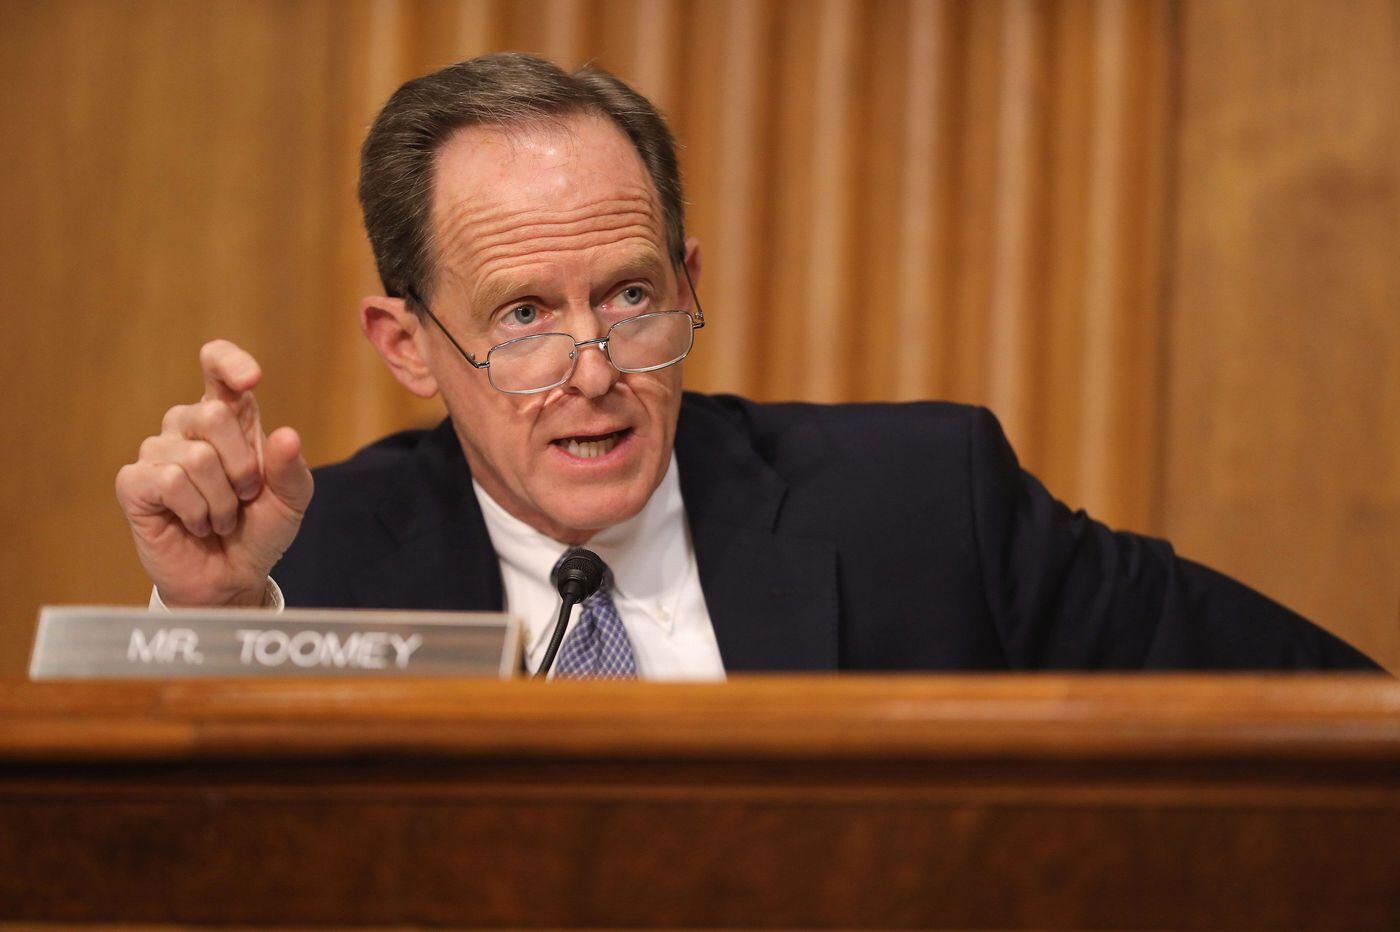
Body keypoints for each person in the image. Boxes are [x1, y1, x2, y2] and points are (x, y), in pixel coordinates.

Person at [114, 53, 1379, 677]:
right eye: (523, 316)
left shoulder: (925, 505)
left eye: (630, 296)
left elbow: (1319, 725)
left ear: (689, 281)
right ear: (407, 345)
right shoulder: (307, 570)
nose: (593, 369)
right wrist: (215, 621)